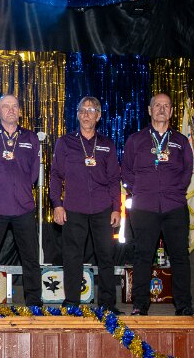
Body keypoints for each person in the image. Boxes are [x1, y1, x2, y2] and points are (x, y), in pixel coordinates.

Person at [122, 93, 194, 316]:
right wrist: (139, 190)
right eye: (157, 105)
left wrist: (177, 190)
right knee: (143, 256)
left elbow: (188, 170)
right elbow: (126, 170)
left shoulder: (181, 141)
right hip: (144, 207)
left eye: (166, 106)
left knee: (180, 257)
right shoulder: (136, 140)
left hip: (174, 206)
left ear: (171, 111)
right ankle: (140, 305)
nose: (162, 109)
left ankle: (183, 306)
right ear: (149, 110)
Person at [50, 96, 121, 314]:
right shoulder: (65, 142)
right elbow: (56, 175)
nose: (86, 114)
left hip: (102, 207)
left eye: (91, 111)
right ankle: (72, 302)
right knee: (72, 256)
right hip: (74, 207)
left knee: (106, 256)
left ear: (98, 116)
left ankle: (107, 304)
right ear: (78, 115)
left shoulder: (107, 144)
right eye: (82, 110)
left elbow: (114, 179)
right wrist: (57, 204)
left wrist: (116, 208)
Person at [0, 94, 42, 308]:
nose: (11, 110)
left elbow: (33, 173)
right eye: (6, 106)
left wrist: (20, 188)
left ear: (20, 111)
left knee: (30, 258)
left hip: (23, 207)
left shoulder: (31, 138)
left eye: (14, 106)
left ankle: (34, 302)